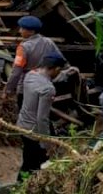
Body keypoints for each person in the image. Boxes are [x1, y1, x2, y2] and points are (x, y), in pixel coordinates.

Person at [16, 52, 66, 181]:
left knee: (27, 160)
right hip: (35, 131)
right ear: (57, 69)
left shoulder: (29, 76)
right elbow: (42, 118)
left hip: (22, 125)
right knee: (36, 165)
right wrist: (46, 143)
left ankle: (18, 186)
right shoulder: (48, 89)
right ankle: (24, 187)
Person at [3, 16, 65, 109]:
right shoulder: (48, 42)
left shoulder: (23, 48)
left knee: (25, 115)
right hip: (46, 84)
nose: (20, 31)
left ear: (31, 32)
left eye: (22, 29)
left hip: (26, 87)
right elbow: (62, 61)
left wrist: (8, 90)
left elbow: (16, 72)